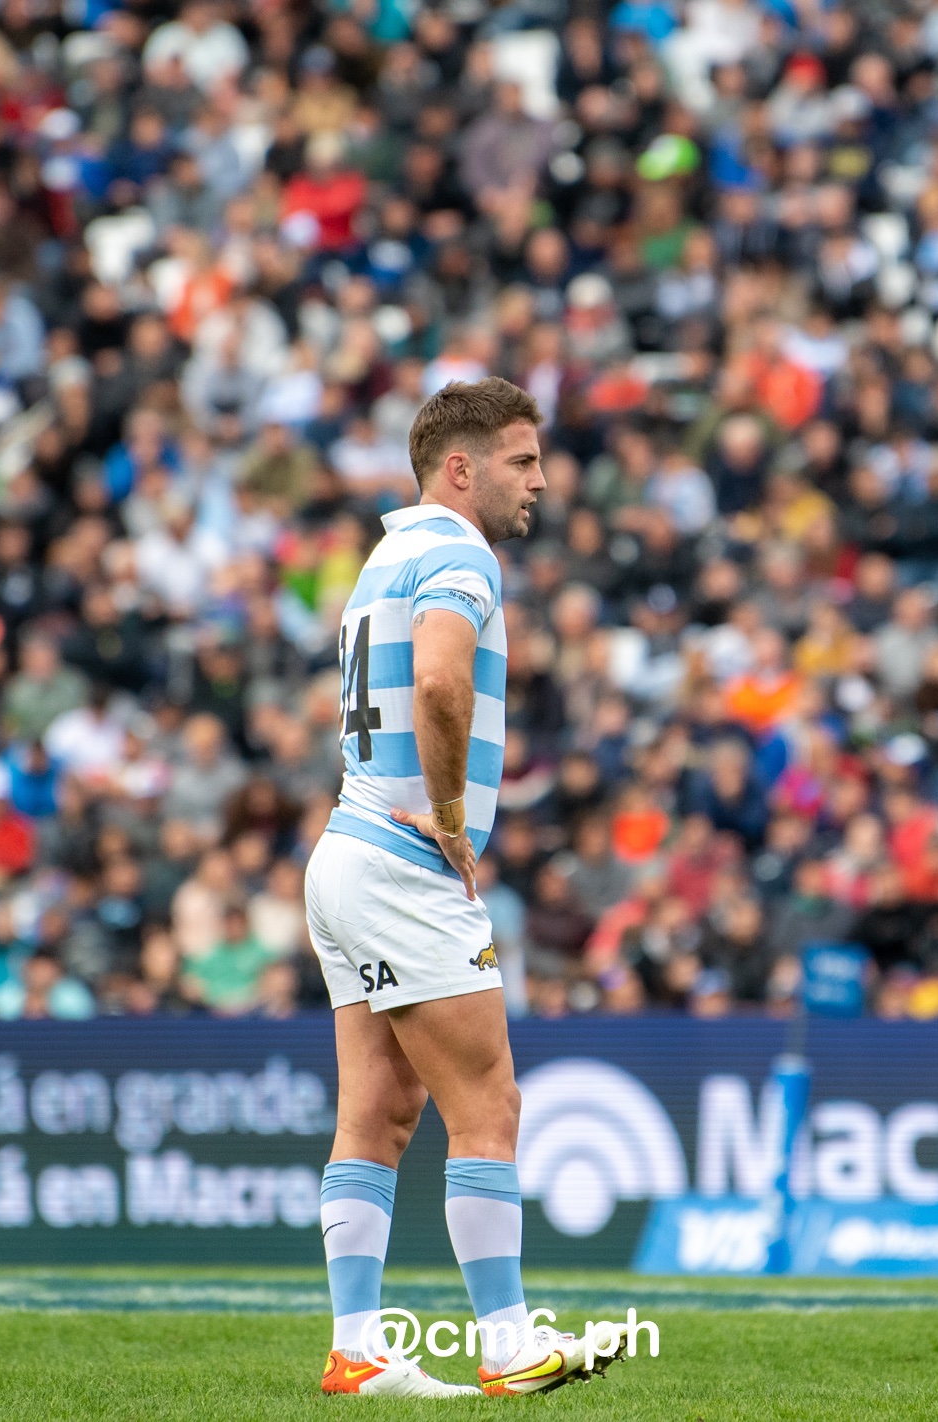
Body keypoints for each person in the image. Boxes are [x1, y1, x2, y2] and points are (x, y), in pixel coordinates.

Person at [306, 379, 614, 1398]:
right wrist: (447, 816)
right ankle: (509, 1341)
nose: (539, 480)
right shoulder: (453, 552)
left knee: (378, 1113)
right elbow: (439, 680)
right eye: (521, 461)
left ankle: (356, 1347)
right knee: (487, 1102)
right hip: (400, 858)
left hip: (344, 848)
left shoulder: (384, 555)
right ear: (460, 467)